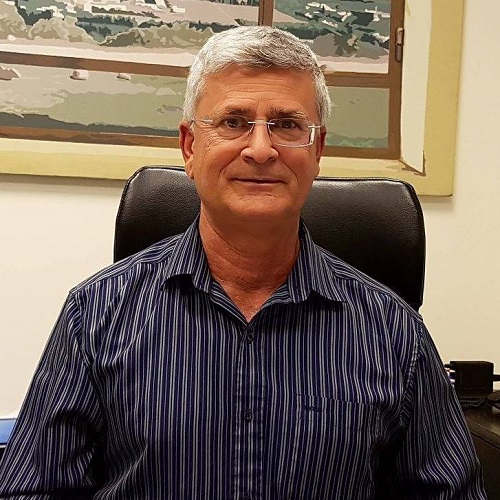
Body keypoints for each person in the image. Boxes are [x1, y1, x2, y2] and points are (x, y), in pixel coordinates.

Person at [0, 26, 485, 499]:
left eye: (287, 125)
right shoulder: (96, 314)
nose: (260, 149)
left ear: (317, 151)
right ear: (190, 147)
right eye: (233, 122)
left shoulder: (393, 331)